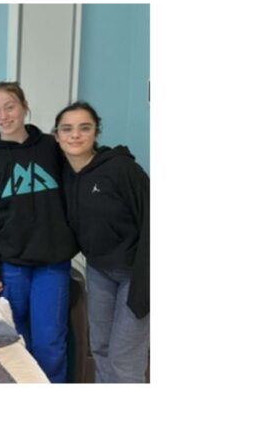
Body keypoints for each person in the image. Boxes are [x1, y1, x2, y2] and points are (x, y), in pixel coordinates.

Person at [0, 81, 78, 383]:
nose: (4, 115)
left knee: (51, 342)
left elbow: (81, 181)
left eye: (10, 107)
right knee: (16, 342)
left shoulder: (52, 148)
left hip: (52, 265)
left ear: (25, 106)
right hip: (11, 267)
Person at [53, 101, 149, 383]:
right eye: (67, 129)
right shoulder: (66, 175)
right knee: (100, 348)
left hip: (137, 272)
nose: (75, 135)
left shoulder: (121, 169)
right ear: (57, 136)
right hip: (99, 270)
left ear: (96, 132)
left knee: (125, 358)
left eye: (85, 128)